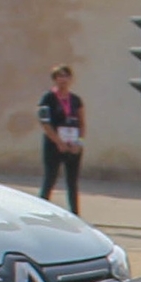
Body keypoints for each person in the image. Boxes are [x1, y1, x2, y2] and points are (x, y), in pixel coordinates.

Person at [37, 64, 84, 213]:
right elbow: (44, 122)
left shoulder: (76, 100)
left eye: (65, 76)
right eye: (59, 77)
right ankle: (40, 211)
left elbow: (82, 122)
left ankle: (75, 214)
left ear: (70, 79)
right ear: (54, 80)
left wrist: (79, 142)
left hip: (72, 144)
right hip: (54, 144)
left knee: (72, 182)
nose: (62, 80)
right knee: (50, 178)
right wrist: (58, 141)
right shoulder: (48, 98)